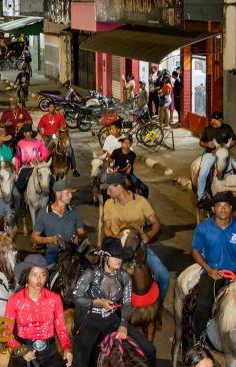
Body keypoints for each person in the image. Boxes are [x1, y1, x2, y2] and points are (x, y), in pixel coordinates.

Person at [72, 237, 156, 367]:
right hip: (90, 322)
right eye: (115, 257)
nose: (119, 260)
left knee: (150, 350)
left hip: (112, 321)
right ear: (105, 257)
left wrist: (123, 324)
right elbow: (76, 298)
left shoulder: (124, 277)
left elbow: (127, 304)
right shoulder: (90, 274)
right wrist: (97, 302)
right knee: (80, 362)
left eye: (121, 257)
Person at [102, 173, 169, 304]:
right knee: (102, 280)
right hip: (118, 249)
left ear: (119, 187)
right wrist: (115, 238)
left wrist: (148, 236)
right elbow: (106, 227)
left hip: (138, 247)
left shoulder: (141, 202)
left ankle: (158, 305)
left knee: (164, 276)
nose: (108, 192)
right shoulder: (109, 203)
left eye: (110, 189)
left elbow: (156, 223)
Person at [191, 192, 236, 335]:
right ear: (213, 209)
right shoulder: (203, 228)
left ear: (231, 208)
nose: (223, 209)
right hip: (212, 273)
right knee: (203, 305)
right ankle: (199, 340)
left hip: (234, 273)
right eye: (219, 206)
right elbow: (195, 251)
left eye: (226, 206)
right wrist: (209, 269)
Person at [4, 254, 73, 367]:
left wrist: (66, 348)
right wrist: (20, 350)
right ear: (27, 276)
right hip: (24, 349)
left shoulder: (54, 299)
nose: (39, 279)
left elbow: (61, 328)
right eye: (34, 275)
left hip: (50, 352)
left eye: (43, 274)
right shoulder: (14, 300)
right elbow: (6, 333)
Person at [31, 180, 86, 266]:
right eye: (68, 193)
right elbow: (34, 238)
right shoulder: (43, 213)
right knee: (46, 274)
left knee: (88, 271)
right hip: (53, 253)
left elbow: (82, 233)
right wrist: (50, 239)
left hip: (72, 252)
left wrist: (79, 239)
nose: (71, 196)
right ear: (58, 194)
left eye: (71, 193)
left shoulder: (74, 212)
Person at [197, 112, 236, 201]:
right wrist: (207, 144)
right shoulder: (208, 129)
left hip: (224, 154)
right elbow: (200, 142)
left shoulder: (227, 128)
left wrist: (227, 146)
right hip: (210, 154)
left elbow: (235, 140)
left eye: (221, 119)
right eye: (217, 120)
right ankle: (200, 197)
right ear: (213, 120)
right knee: (203, 174)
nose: (220, 121)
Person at [13, 124, 49, 217]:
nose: (26, 134)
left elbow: (46, 152)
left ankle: (51, 199)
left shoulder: (38, 142)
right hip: (26, 167)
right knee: (19, 184)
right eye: (25, 132)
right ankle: (21, 203)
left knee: (50, 179)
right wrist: (17, 168)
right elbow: (17, 156)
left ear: (31, 132)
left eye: (28, 132)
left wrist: (40, 159)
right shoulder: (20, 143)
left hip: (38, 166)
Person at [112, 134, 149, 198]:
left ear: (131, 143)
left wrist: (118, 169)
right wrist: (108, 165)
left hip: (128, 174)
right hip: (116, 174)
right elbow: (110, 158)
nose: (126, 144)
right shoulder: (116, 151)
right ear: (121, 143)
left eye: (128, 142)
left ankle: (144, 203)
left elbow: (127, 167)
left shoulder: (132, 155)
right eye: (124, 142)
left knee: (145, 188)